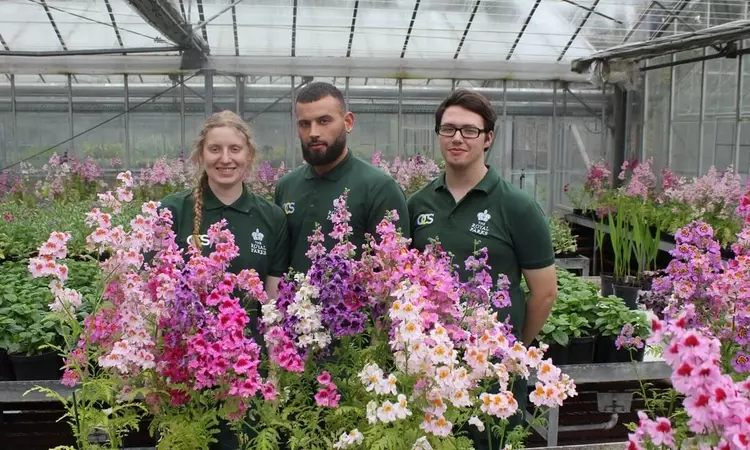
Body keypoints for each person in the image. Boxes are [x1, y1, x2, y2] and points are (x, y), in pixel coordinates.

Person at [407, 89, 558, 447]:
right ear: (439, 134)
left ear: (488, 138)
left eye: (469, 130)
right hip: (430, 367)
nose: (457, 138)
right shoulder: (417, 203)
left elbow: (545, 291)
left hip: (492, 372)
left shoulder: (517, 206)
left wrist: (511, 352)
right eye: (448, 129)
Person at [160, 110, 290, 449]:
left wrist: (274, 372)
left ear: (249, 155)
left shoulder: (270, 217)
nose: (225, 159)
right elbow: (157, 294)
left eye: (234, 149)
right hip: (188, 366)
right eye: (215, 149)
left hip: (247, 367)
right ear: (201, 154)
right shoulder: (174, 211)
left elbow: (271, 303)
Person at [274, 81, 410, 273]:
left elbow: (394, 271)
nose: (313, 133)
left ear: (348, 122)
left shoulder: (379, 188)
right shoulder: (286, 186)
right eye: (305, 124)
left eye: (324, 121)